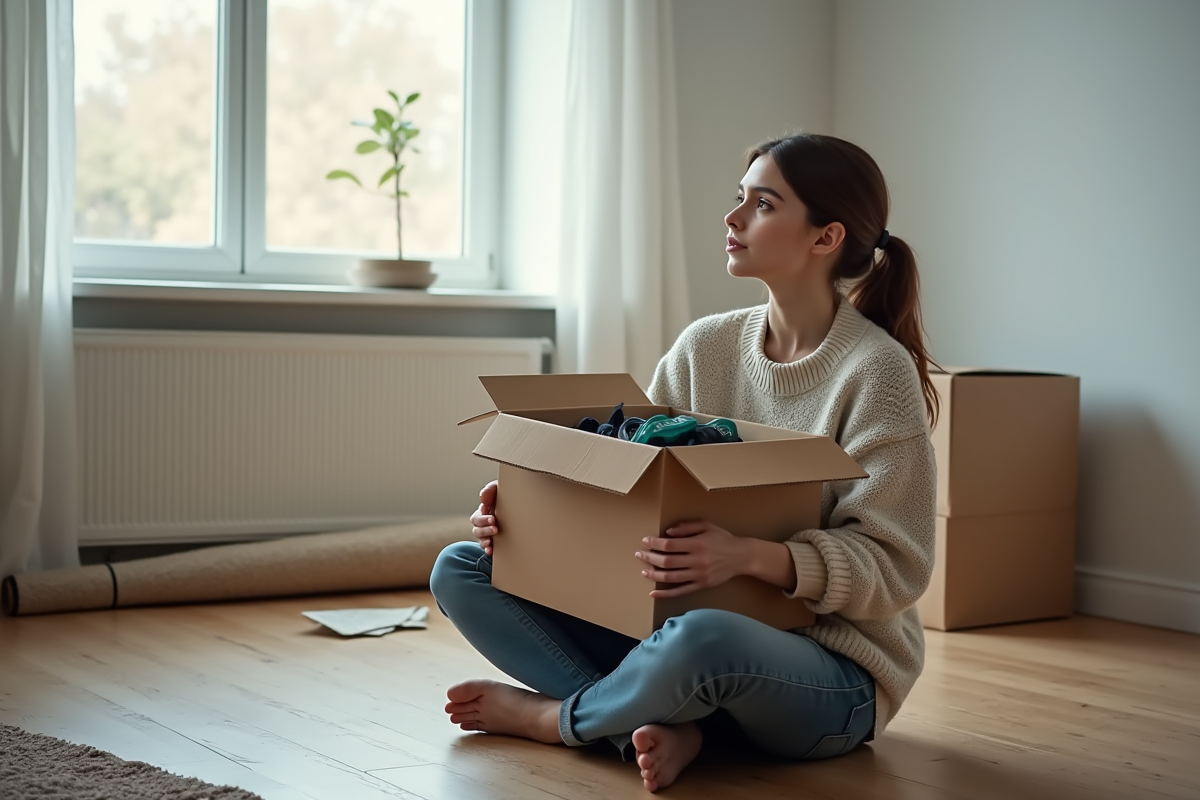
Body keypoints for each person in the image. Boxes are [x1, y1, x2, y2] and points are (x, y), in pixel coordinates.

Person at [429, 132, 938, 793]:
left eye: (762, 204)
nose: (732, 219)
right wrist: (530, 520)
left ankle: (558, 719)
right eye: (739, 199)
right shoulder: (706, 347)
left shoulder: (877, 374)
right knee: (462, 568)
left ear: (825, 237)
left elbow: (899, 566)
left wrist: (749, 556)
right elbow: (628, 480)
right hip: (666, 635)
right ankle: (652, 723)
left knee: (704, 639)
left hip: (829, 674)